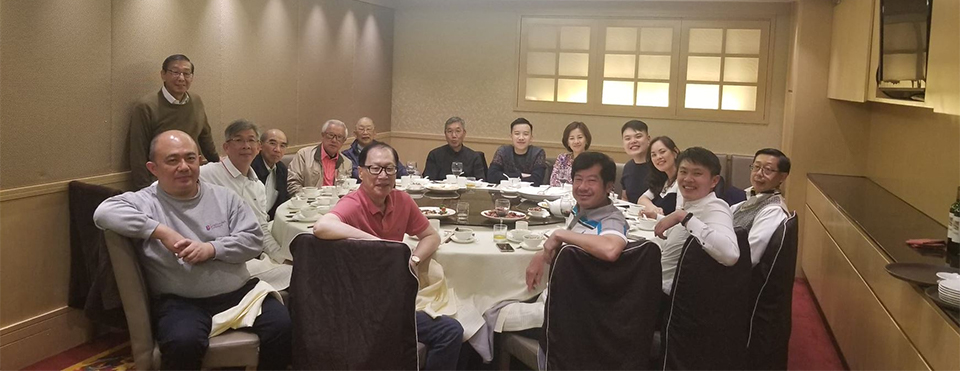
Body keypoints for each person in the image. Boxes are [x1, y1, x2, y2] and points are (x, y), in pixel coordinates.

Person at [93, 130, 290, 370]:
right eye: (172, 160)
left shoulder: (225, 197)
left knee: (282, 326)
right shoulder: (145, 201)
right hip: (181, 302)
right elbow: (103, 213)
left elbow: (252, 240)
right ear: (153, 168)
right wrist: (162, 232)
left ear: (200, 161)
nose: (184, 167)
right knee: (181, 342)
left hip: (240, 294)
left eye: (190, 158)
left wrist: (211, 249)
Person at [312, 142, 463, 370]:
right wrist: (381, 246)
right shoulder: (353, 203)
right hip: (358, 307)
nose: (383, 175)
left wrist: (413, 261)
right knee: (448, 330)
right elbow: (322, 227)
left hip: (390, 302)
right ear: (361, 172)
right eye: (375, 169)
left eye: (389, 169)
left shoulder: (401, 200)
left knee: (452, 330)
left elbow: (432, 236)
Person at [199, 120, 292, 289]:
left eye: (251, 140)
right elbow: (159, 189)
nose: (246, 146)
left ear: (258, 148)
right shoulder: (207, 174)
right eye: (239, 140)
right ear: (226, 147)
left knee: (297, 267)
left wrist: (279, 256)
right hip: (216, 260)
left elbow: (261, 229)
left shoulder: (257, 186)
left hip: (250, 257)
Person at [526, 152, 630, 288]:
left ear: (609, 186)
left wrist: (560, 234)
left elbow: (610, 249)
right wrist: (542, 255)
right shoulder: (580, 208)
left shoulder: (611, 218)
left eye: (592, 181)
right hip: (561, 290)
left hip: (580, 302)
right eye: (578, 179)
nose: (582, 187)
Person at [653, 147, 740, 295]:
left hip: (668, 296)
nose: (687, 179)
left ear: (714, 181)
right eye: (683, 172)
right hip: (657, 282)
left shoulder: (714, 207)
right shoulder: (692, 203)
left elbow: (730, 254)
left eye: (697, 173)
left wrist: (683, 217)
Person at [129, 54, 219, 189]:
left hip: (191, 178)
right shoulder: (146, 106)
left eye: (186, 73)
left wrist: (218, 167)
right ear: (163, 74)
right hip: (160, 183)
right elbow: (138, 153)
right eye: (175, 72)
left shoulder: (196, 101)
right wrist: (144, 190)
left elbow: (205, 138)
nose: (181, 78)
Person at [731, 148, 791, 266]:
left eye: (767, 170)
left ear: (782, 177)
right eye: (756, 167)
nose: (759, 173)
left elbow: (750, 256)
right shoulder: (751, 198)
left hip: (735, 273)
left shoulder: (773, 211)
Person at [287, 119, 354, 195]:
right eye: (331, 135)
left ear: (344, 141)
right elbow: (293, 183)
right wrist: (307, 199)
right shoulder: (304, 155)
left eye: (339, 137)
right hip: (308, 203)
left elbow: (345, 189)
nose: (334, 140)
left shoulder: (347, 164)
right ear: (323, 135)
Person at [487, 118, 548, 186]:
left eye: (525, 134)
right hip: (504, 193)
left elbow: (536, 180)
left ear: (531, 138)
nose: (521, 138)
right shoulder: (503, 151)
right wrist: (521, 175)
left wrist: (507, 178)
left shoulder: (538, 152)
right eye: (517, 134)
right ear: (511, 136)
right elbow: (491, 176)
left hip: (529, 194)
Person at [342, 117, 407, 180]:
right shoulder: (347, 155)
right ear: (355, 134)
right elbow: (357, 175)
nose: (365, 132)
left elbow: (401, 171)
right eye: (361, 129)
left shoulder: (384, 151)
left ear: (374, 133)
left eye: (368, 129)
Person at [422, 116, 487, 180]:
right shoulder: (434, 155)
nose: (454, 135)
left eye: (458, 131)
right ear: (445, 134)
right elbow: (428, 181)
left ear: (464, 133)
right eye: (450, 131)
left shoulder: (474, 157)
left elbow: (480, 182)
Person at [637, 136, 682, 217]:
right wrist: (654, 209)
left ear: (675, 152)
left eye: (662, 152)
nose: (658, 157)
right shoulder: (663, 180)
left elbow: (679, 215)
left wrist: (656, 215)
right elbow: (642, 199)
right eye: (654, 155)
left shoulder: (682, 182)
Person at [251, 128, 289, 220]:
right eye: (272, 143)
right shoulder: (250, 167)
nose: (277, 149)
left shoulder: (281, 169)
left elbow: (283, 200)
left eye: (282, 145)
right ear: (260, 145)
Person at [549, 121, 592, 186]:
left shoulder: (593, 161)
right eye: (572, 138)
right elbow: (553, 181)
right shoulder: (562, 159)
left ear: (586, 140)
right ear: (567, 143)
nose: (576, 141)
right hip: (561, 194)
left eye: (580, 137)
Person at [620, 120, 653, 203]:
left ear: (648, 139)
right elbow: (625, 198)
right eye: (627, 138)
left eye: (638, 136)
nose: (633, 141)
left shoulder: (658, 165)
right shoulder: (628, 167)